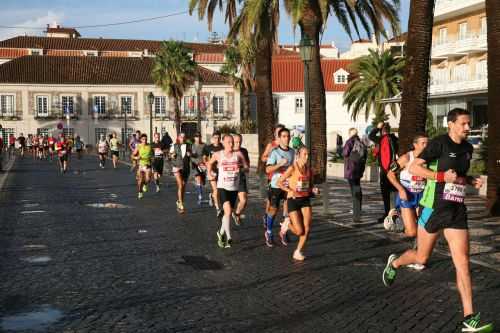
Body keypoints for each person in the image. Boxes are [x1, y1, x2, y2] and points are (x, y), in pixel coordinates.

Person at [382, 109, 494, 333]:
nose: (466, 127)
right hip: (432, 208)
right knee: (421, 257)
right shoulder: (439, 144)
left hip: (455, 210)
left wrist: (470, 180)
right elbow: (415, 167)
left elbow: (457, 176)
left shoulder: (467, 148)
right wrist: (442, 177)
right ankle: (395, 262)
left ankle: (469, 317)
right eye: (463, 123)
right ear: (451, 124)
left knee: (462, 263)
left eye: (468, 123)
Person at [207, 134, 249, 248]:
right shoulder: (218, 155)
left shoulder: (238, 154)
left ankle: (220, 233)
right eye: (229, 142)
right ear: (223, 143)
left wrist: (240, 167)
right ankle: (229, 237)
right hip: (222, 187)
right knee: (228, 211)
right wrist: (209, 173)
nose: (231, 144)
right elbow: (209, 163)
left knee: (227, 213)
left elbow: (247, 167)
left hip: (234, 188)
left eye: (232, 142)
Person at [277, 146, 319, 260]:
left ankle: (298, 251)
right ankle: (287, 225)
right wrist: (290, 191)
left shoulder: (309, 170)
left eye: (308, 154)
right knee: (300, 231)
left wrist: (314, 190)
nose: (307, 156)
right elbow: (279, 182)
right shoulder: (292, 168)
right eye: (304, 154)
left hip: (305, 200)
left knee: (307, 229)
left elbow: (310, 187)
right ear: (299, 155)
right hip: (293, 201)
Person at [386, 134, 429, 238]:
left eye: (427, 143)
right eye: (423, 143)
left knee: (424, 229)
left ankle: (418, 252)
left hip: (422, 196)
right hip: (408, 196)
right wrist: (401, 190)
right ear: (415, 145)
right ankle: (397, 224)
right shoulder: (406, 158)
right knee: (412, 232)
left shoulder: (428, 159)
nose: (426, 146)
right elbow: (390, 174)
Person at [264, 127, 295, 247]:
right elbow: (267, 169)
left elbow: (293, 168)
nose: (287, 138)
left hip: (288, 185)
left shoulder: (292, 152)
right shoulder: (275, 152)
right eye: (284, 136)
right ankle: (269, 232)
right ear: (279, 138)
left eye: (288, 136)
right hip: (276, 185)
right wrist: (279, 164)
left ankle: (283, 231)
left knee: (288, 211)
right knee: (273, 210)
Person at [369, 122, 399, 222]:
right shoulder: (395, 139)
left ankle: (387, 214)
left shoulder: (381, 139)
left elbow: (371, 135)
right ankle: (395, 214)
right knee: (395, 192)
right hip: (394, 169)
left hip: (384, 171)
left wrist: (378, 127)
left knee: (385, 194)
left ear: (382, 131)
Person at [260, 124, 285, 228]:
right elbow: (263, 158)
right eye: (277, 132)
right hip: (273, 176)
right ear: (275, 134)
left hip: (285, 177)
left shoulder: (287, 145)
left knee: (287, 200)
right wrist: (272, 159)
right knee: (271, 202)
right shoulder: (271, 145)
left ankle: (285, 221)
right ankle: (267, 216)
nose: (279, 135)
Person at [343, 128, 367, 223]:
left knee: (354, 190)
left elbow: (345, 153)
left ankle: (356, 210)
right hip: (359, 170)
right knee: (358, 188)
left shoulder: (350, 141)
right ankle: (358, 208)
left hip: (351, 170)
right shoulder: (361, 141)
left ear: (350, 133)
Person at [170, 132, 192, 213]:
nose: (182, 138)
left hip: (185, 168)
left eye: (184, 137)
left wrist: (190, 154)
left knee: (183, 186)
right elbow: (170, 154)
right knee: (180, 185)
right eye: (181, 137)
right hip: (176, 166)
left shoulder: (189, 145)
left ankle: (179, 201)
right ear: (178, 138)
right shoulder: (174, 145)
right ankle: (181, 204)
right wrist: (172, 155)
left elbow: (191, 154)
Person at [203, 132, 224, 216]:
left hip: (221, 171)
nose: (217, 139)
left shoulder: (223, 147)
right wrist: (207, 164)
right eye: (215, 137)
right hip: (212, 170)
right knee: (215, 190)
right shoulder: (208, 147)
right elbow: (204, 158)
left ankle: (211, 196)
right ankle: (218, 209)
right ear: (212, 138)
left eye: (218, 138)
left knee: (218, 190)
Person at [232, 133, 250, 225]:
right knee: (229, 205)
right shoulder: (228, 151)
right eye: (236, 142)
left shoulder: (244, 151)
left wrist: (241, 168)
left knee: (244, 200)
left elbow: (248, 167)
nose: (238, 144)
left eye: (240, 142)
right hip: (228, 180)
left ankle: (237, 214)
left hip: (240, 178)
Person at [132, 134, 153, 199]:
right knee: (140, 180)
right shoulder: (139, 146)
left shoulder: (149, 146)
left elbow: (152, 155)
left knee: (148, 179)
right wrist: (136, 158)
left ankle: (145, 184)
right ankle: (140, 192)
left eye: (146, 139)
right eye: (143, 139)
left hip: (148, 165)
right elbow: (132, 155)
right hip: (141, 165)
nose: (145, 140)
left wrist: (152, 158)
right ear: (141, 140)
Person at [191, 133, 207, 205]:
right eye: (197, 137)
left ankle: (200, 190)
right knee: (198, 179)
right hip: (195, 165)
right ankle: (200, 196)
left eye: (199, 137)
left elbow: (207, 155)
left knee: (203, 182)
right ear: (194, 138)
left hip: (202, 165)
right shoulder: (191, 146)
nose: (198, 138)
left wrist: (205, 163)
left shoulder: (204, 145)